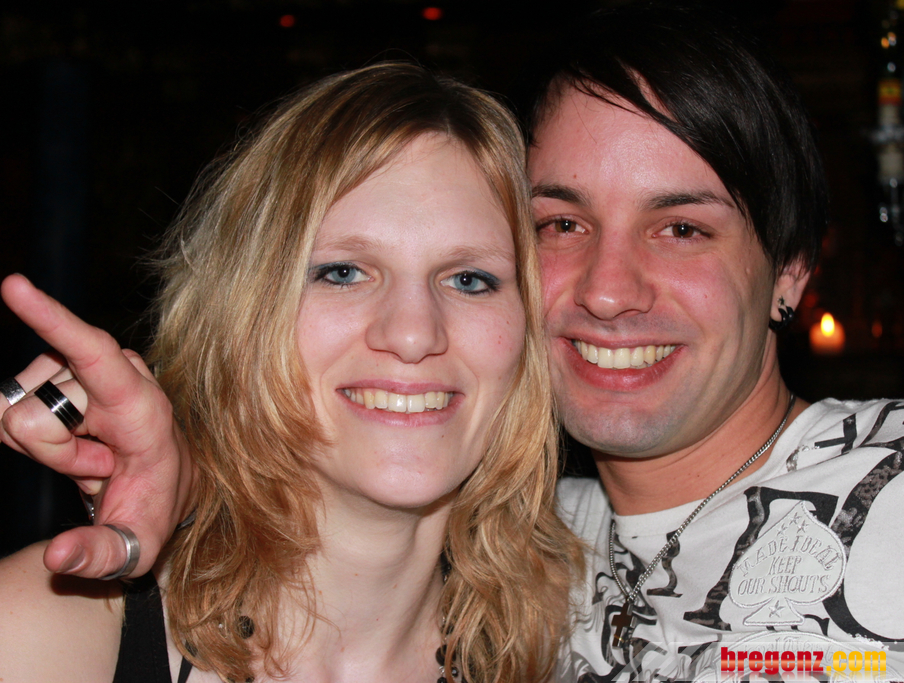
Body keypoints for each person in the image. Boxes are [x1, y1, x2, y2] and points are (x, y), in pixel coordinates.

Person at [5, 4, 904, 681]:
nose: (609, 290)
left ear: (791, 269)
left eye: (681, 228)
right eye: (561, 223)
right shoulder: (540, 569)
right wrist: (202, 468)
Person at [0, 62, 582, 682]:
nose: (414, 334)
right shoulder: (49, 633)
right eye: (343, 273)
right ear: (245, 311)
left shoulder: (566, 640)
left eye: (469, 280)